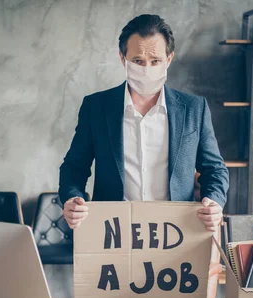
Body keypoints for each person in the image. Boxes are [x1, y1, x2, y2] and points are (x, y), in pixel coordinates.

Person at [59, 14, 229, 232]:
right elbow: (74, 167)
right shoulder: (96, 107)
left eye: (155, 61)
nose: (147, 68)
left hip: (177, 232)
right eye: (138, 61)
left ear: (168, 60)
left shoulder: (194, 108)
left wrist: (214, 201)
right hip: (113, 232)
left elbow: (214, 168)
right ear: (123, 59)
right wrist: (73, 198)